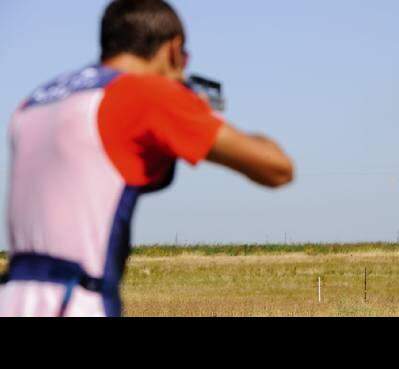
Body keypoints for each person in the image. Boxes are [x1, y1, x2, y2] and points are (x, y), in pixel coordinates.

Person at [0, 0, 293, 317]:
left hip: (13, 296)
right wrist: (193, 107)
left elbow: (101, 182)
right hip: (76, 301)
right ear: (174, 50)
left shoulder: (39, 99)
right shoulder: (145, 94)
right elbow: (276, 168)